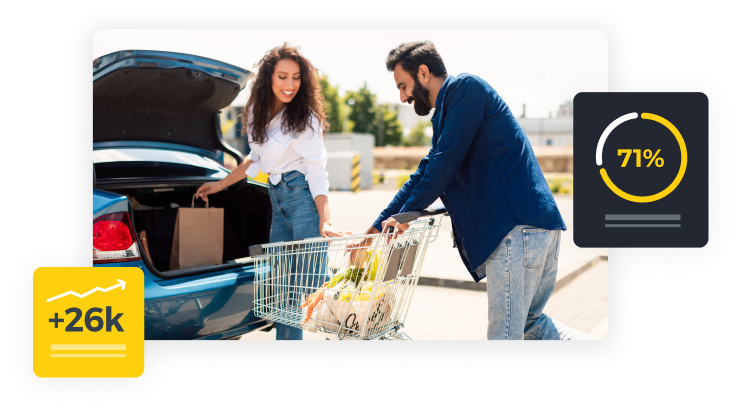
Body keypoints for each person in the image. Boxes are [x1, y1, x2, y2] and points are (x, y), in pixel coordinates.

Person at [355, 40, 591, 340]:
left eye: (403, 86)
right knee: (531, 326)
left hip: (517, 230)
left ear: (424, 73)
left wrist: (402, 218)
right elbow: (425, 172)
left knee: (505, 336)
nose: (402, 97)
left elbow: (442, 166)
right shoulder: (448, 114)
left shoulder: (466, 89)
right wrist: (374, 229)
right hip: (534, 227)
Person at [195, 43, 348, 341]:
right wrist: (220, 184)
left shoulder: (305, 119)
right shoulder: (256, 111)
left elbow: (317, 173)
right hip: (277, 202)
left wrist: (324, 220)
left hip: (303, 198)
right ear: (269, 78)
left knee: (314, 284)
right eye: (283, 77)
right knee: (283, 291)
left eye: (296, 77)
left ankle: (358, 320)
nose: (290, 85)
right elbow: (254, 159)